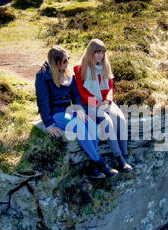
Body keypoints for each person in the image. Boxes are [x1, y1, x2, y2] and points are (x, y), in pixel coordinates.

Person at [35, 45, 118, 179]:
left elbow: (76, 96)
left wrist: (79, 109)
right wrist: (49, 123)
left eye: (68, 59)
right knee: (79, 126)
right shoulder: (43, 76)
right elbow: (42, 101)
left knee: (92, 126)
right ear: (56, 63)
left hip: (69, 110)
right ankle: (101, 165)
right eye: (64, 61)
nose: (68, 63)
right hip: (55, 113)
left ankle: (93, 169)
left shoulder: (68, 74)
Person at [74, 39, 133, 173]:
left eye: (102, 53)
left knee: (120, 119)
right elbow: (80, 92)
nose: (101, 56)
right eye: (97, 52)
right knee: (107, 121)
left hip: (104, 101)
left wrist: (107, 100)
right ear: (91, 53)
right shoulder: (79, 68)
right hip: (89, 104)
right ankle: (119, 159)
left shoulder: (105, 65)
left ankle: (124, 154)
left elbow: (110, 87)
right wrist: (96, 104)